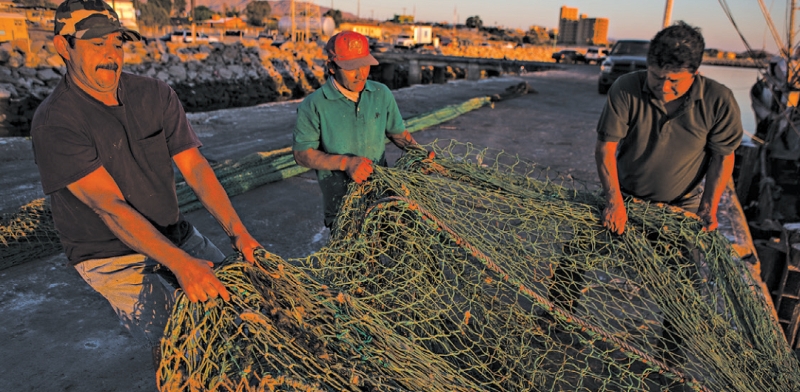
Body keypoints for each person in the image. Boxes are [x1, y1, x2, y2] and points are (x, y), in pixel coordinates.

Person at [30, 0, 263, 369]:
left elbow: (195, 166)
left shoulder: (155, 94)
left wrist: (238, 232)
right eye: (96, 44)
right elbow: (109, 205)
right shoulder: (55, 122)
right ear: (63, 45)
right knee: (182, 337)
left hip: (174, 232)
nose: (111, 55)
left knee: (241, 308)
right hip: (109, 254)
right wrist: (184, 266)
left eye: (118, 43)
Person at [595, 21, 743, 234]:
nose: (663, 87)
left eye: (674, 80)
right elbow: (605, 148)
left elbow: (723, 158)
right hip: (622, 196)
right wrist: (613, 202)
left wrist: (708, 209)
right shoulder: (625, 88)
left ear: (695, 74)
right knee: (574, 260)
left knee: (680, 266)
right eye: (655, 76)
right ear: (648, 65)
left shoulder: (719, 100)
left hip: (680, 207)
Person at [293, 31, 424, 228]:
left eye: (365, 65)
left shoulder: (381, 94)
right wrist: (346, 163)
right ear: (331, 68)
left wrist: (420, 154)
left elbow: (397, 133)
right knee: (355, 258)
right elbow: (302, 154)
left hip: (383, 200)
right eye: (351, 67)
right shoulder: (313, 105)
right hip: (342, 208)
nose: (360, 73)